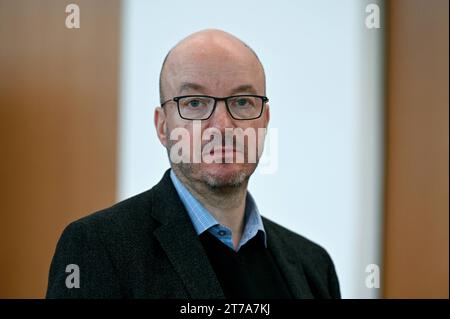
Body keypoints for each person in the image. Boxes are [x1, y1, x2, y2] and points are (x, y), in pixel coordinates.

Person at [46, 29, 341, 299]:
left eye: (242, 101)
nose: (222, 126)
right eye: (195, 103)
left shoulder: (313, 265)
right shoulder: (98, 248)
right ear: (163, 127)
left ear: (264, 121)